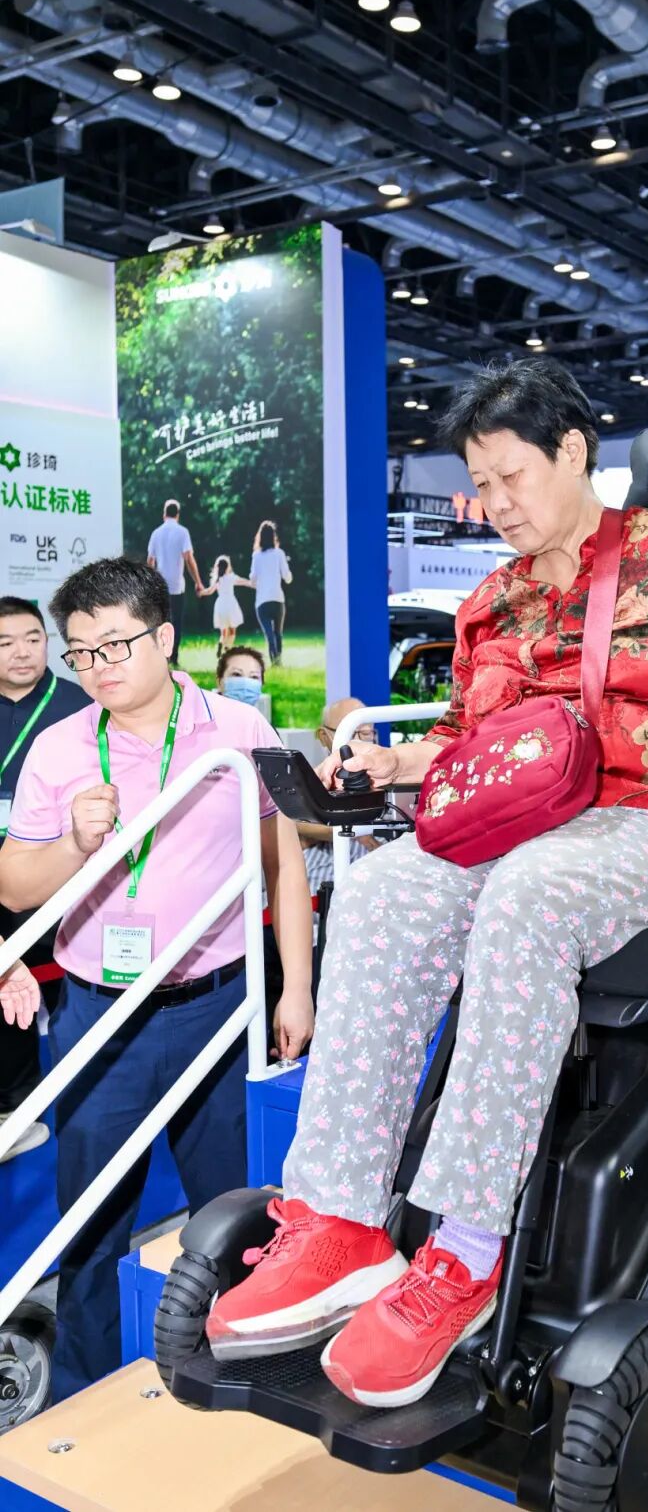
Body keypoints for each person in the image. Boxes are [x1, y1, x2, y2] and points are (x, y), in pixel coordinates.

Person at [207, 356, 648, 1410]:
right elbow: (462, 743)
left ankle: (466, 1253)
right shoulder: (492, 600)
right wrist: (388, 764)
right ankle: (341, 1221)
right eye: (478, 485)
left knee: (529, 894)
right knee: (380, 893)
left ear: (573, 452)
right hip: (519, 824)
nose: (493, 505)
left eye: (509, 477)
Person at [0, 558, 314, 1402]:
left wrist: (297, 987)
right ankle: (84, 1397)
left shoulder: (238, 727)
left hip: (220, 1006)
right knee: (92, 1221)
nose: (97, 667)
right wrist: (75, 844)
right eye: (80, 652)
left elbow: (284, 859)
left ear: (165, 637)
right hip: (98, 1017)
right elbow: (14, 887)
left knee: (236, 1213)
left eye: (115, 645)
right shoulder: (62, 746)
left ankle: (244, 1381)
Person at [0, 596, 89, 1160]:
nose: (22, 652)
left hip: (58, 867)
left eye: (33, 639)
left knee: (66, 984)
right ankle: (16, 1104)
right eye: (6, 642)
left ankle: (88, 1095)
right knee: (7, 987)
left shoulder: (80, 705)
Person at [296, 697, 378, 894]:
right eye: (349, 733)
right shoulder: (311, 779)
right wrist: (352, 831)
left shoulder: (387, 775)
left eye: (366, 733)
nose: (358, 741)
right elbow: (293, 822)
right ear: (324, 736)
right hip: (321, 870)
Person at [147, 500, 204, 662]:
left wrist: (149, 583)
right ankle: (174, 656)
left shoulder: (156, 533)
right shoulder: (182, 532)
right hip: (177, 586)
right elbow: (189, 559)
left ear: (164, 514)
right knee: (176, 622)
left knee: (160, 621)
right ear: (178, 514)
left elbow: (150, 561)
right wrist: (198, 582)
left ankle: (161, 655)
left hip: (160, 586)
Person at [249, 521, 292, 667]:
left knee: (269, 634)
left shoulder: (256, 556)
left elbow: (253, 579)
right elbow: (287, 577)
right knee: (278, 632)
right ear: (274, 536)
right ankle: (278, 661)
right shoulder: (279, 554)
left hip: (262, 600)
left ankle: (274, 660)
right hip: (277, 598)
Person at [199, 555, 253, 658]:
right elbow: (244, 582)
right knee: (232, 631)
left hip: (220, 605)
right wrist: (253, 583)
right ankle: (228, 648)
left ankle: (221, 644)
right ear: (228, 567)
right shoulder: (231, 577)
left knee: (223, 632)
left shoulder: (217, 580)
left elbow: (209, 591)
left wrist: (201, 592)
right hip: (230, 604)